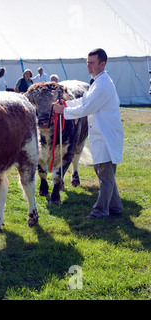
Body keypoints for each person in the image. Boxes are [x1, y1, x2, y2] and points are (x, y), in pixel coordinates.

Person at [52, 48, 123, 220]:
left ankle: (100, 211)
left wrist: (63, 111)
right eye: (87, 62)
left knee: (105, 176)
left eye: (92, 63)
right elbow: (84, 100)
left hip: (106, 136)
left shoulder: (103, 85)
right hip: (101, 135)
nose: (88, 66)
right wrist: (67, 104)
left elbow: (86, 108)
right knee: (104, 173)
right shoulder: (97, 82)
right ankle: (116, 207)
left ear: (102, 64)